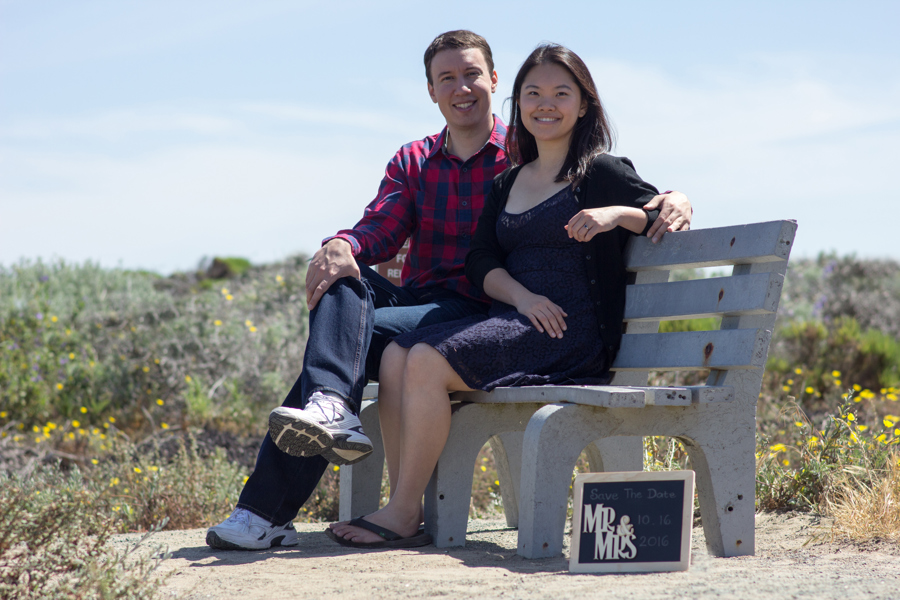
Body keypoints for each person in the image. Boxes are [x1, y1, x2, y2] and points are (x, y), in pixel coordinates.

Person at [206, 31, 692, 551]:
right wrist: (343, 245)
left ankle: (270, 508)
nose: (461, 87)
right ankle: (330, 404)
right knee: (344, 277)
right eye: (447, 78)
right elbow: (382, 229)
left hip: (480, 312)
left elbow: (640, 194)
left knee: (362, 350)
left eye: (471, 74)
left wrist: (675, 198)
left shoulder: (518, 154)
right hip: (425, 303)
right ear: (432, 91)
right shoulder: (418, 160)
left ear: (493, 81)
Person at [328, 42, 667, 547]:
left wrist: (618, 215)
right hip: (523, 316)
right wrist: (523, 297)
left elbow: (661, 211)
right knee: (398, 354)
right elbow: (481, 261)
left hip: (569, 332)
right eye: (533, 93)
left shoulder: (600, 172)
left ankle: (402, 512)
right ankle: (404, 504)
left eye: (560, 92)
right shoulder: (509, 181)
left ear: (583, 104)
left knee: (422, 358)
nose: (544, 104)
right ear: (518, 103)